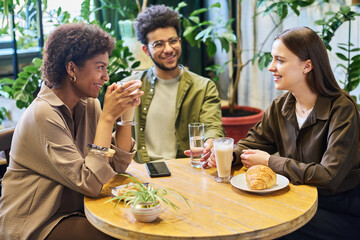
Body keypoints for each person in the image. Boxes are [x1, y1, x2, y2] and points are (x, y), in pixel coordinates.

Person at [207, 26, 360, 239]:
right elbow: (253, 143)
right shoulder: (281, 107)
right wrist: (228, 154)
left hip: (337, 211)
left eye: (280, 60)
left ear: (307, 65)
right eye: (272, 59)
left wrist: (271, 162)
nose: (271, 67)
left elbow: (329, 177)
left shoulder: (343, 109)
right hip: (296, 201)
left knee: (264, 225)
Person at [0, 23, 143, 240]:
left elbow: (117, 166)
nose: (106, 77)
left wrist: (126, 115)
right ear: (71, 69)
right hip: (37, 222)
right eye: (99, 67)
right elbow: (91, 183)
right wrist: (107, 119)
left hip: (76, 210)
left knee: (135, 225)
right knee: (119, 235)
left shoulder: (88, 105)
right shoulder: (42, 115)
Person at [121, 4, 225, 164]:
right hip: (142, 174)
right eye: (159, 44)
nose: (168, 49)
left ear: (180, 41)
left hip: (185, 173)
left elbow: (213, 126)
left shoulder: (204, 87)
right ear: (146, 50)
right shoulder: (129, 88)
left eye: (173, 41)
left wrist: (210, 142)